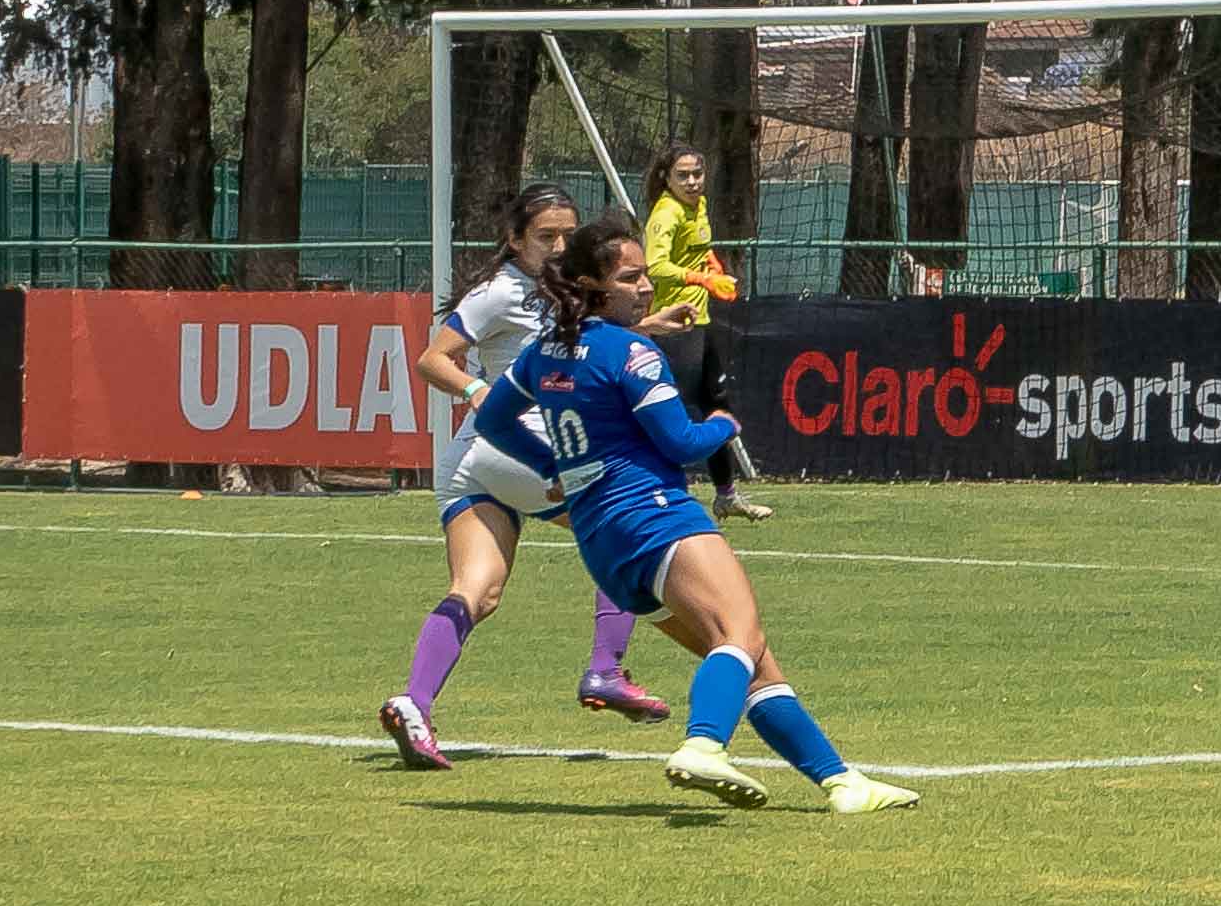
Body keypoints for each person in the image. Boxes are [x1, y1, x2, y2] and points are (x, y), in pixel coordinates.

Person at [473, 216, 918, 814]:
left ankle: (841, 782)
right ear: (592, 285)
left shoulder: (543, 353)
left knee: (748, 659)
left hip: (602, 541)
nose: (646, 288)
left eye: (645, 275)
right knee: (742, 633)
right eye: (631, 279)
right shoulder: (631, 351)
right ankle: (705, 744)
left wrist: (554, 468)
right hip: (654, 516)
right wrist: (722, 425)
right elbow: (681, 442)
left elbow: (493, 422)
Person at [379, 184, 682, 770]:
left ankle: (413, 703)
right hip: (507, 449)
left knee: (479, 589)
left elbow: (575, 353)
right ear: (515, 239)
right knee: (623, 529)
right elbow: (431, 358)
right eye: (546, 236)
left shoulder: (564, 293)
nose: (560, 244)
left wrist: (651, 330)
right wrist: (478, 389)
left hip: (474, 463)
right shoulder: (499, 292)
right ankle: (605, 670)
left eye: (568, 234)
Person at [641, 144, 769, 522]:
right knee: (673, 412)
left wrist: (713, 268)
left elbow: (700, 249)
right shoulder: (665, 214)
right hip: (672, 324)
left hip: (699, 320)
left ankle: (726, 494)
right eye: (683, 175)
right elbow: (656, 266)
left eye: (697, 174)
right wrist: (702, 279)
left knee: (717, 403)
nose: (693, 181)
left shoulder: (698, 207)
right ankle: (654, 491)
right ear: (666, 178)